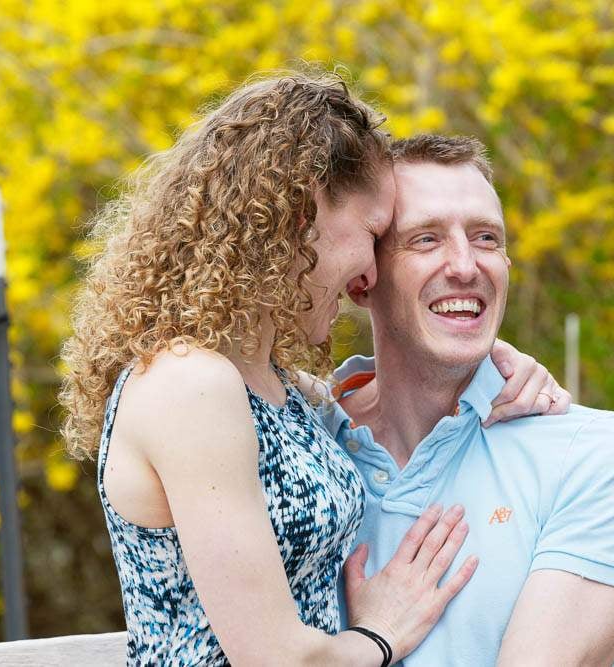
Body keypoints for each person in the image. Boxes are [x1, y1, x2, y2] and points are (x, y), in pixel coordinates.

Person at [59, 74, 569, 665]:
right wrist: (381, 633)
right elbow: (280, 660)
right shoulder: (189, 384)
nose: (368, 277)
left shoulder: (270, 386)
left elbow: (393, 388)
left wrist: (500, 364)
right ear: (300, 213)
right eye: (374, 235)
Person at [329, 135, 614, 666]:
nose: (465, 265)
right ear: (362, 278)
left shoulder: (590, 456)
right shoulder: (298, 447)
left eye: (485, 238)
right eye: (426, 239)